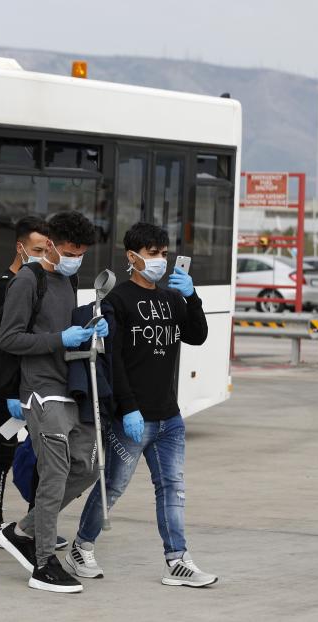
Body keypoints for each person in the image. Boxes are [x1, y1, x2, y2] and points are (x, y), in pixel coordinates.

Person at [63, 222, 217, 587]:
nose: (159, 261)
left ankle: (177, 560)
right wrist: (128, 407)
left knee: (172, 487)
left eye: (163, 254)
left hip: (169, 416)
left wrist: (192, 296)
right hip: (133, 417)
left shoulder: (171, 298)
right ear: (132, 257)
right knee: (113, 486)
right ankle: (80, 547)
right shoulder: (118, 300)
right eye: (152, 254)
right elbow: (113, 360)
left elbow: (198, 335)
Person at [0, 210, 108, 594]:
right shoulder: (28, 280)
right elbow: (9, 339)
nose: (77, 257)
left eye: (82, 252)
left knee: (88, 469)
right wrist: (62, 338)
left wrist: (90, 332)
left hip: (72, 387)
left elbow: (63, 328)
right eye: (71, 251)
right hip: (42, 391)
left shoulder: (69, 279)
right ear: (52, 245)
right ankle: (43, 563)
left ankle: (21, 530)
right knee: (55, 473)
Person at [0, 215, 49, 547]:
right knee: (3, 452)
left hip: (31, 385)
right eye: (37, 249)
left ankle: (36, 523)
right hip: (3, 387)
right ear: (20, 247)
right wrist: (7, 393)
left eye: (46, 249)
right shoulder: (4, 285)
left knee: (41, 453)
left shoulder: (39, 282)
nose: (43, 254)